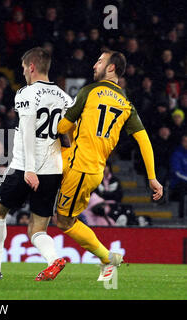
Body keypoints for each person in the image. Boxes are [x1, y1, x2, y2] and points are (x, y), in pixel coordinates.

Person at [0, 47, 73, 281]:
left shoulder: (26, 93)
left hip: (25, 167)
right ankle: (54, 259)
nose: (23, 73)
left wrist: (29, 168)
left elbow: (28, 131)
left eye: (23, 68)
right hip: (53, 169)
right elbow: (66, 136)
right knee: (37, 229)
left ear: (31, 67)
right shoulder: (64, 97)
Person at [56, 50, 163, 281]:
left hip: (80, 168)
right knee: (36, 175)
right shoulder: (126, 104)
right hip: (88, 167)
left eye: (100, 61)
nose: (94, 65)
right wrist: (152, 177)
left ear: (111, 68)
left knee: (64, 220)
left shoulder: (90, 91)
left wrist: (55, 122)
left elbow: (62, 127)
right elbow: (144, 141)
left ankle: (107, 259)